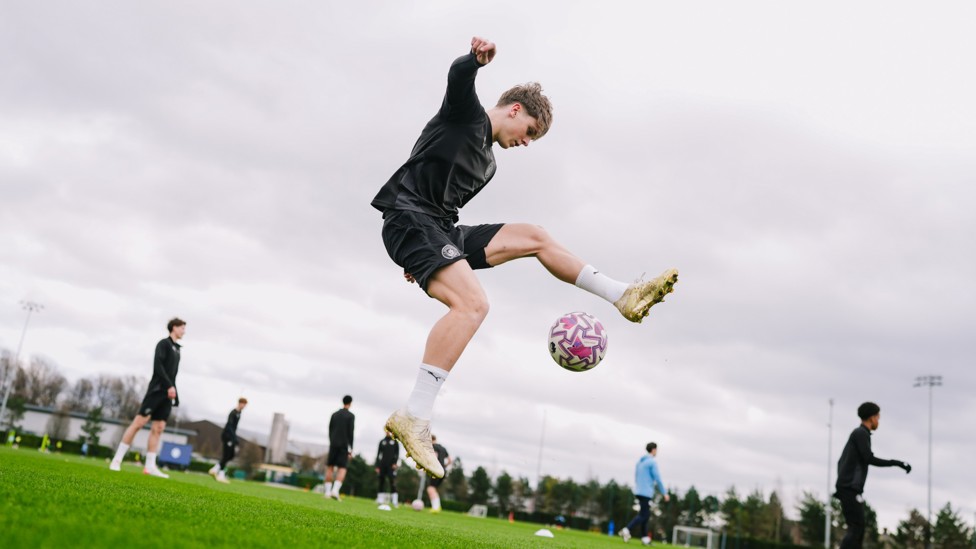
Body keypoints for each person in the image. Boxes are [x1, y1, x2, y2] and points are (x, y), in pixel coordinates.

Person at [373, 36, 679, 479]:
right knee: (473, 305)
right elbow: (458, 78)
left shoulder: (488, 164)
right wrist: (474, 60)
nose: (528, 142)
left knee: (535, 236)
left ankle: (622, 295)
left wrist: (427, 257)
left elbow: (445, 203)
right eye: (531, 131)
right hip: (409, 218)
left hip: (436, 229)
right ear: (515, 110)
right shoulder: (465, 116)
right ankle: (415, 415)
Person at [109, 318, 186, 478]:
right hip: (156, 391)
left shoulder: (178, 349)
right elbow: (158, 367)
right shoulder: (163, 344)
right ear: (174, 327)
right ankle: (116, 460)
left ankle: (150, 466)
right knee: (139, 423)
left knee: (159, 428)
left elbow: (173, 375)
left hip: (167, 395)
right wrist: (168, 385)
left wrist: (175, 393)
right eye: (182, 328)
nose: (184, 331)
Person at [835, 402, 911, 549]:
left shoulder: (859, 434)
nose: (878, 421)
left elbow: (841, 462)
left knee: (859, 528)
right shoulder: (860, 433)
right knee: (856, 527)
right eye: (878, 418)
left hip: (849, 488)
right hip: (849, 488)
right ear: (871, 418)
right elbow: (868, 458)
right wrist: (896, 463)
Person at [620, 442, 669, 545]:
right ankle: (627, 529)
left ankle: (645, 538)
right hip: (646, 492)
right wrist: (664, 493)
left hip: (638, 491)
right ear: (653, 450)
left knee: (645, 515)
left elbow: (636, 476)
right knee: (644, 515)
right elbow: (658, 478)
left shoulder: (640, 462)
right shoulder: (652, 462)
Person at [209, 397, 248, 483]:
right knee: (226, 455)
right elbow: (229, 426)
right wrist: (234, 437)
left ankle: (215, 469)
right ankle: (221, 474)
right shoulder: (233, 413)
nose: (244, 406)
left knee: (231, 455)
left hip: (232, 436)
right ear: (239, 403)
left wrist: (235, 437)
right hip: (227, 436)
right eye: (243, 404)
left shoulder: (239, 413)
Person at [324, 395, 355, 500]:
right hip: (344, 445)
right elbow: (351, 432)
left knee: (330, 467)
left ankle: (327, 492)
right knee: (342, 468)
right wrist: (351, 448)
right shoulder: (351, 416)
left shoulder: (334, 414)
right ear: (350, 403)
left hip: (333, 444)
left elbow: (330, 429)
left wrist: (332, 441)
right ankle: (335, 491)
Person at [425, 434, 451, 513]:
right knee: (433, 488)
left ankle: (435, 508)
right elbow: (450, 460)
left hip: (435, 470)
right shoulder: (443, 448)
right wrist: (444, 466)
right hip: (443, 471)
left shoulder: (433, 446)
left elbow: (435, 457)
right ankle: (437, 506)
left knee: (430, 488)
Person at [375, 429, 400, 507]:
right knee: (381, 481)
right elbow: (378, 454)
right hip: (382, 465)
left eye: (389, 431)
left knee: (392, 482)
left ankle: (395, 501)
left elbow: (397, 454)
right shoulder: (382, 441)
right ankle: (380, 500)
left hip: (391, 466)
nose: (388, 432)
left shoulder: (395, 442)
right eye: (387, 431)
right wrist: (377, 466)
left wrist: (395, 463)